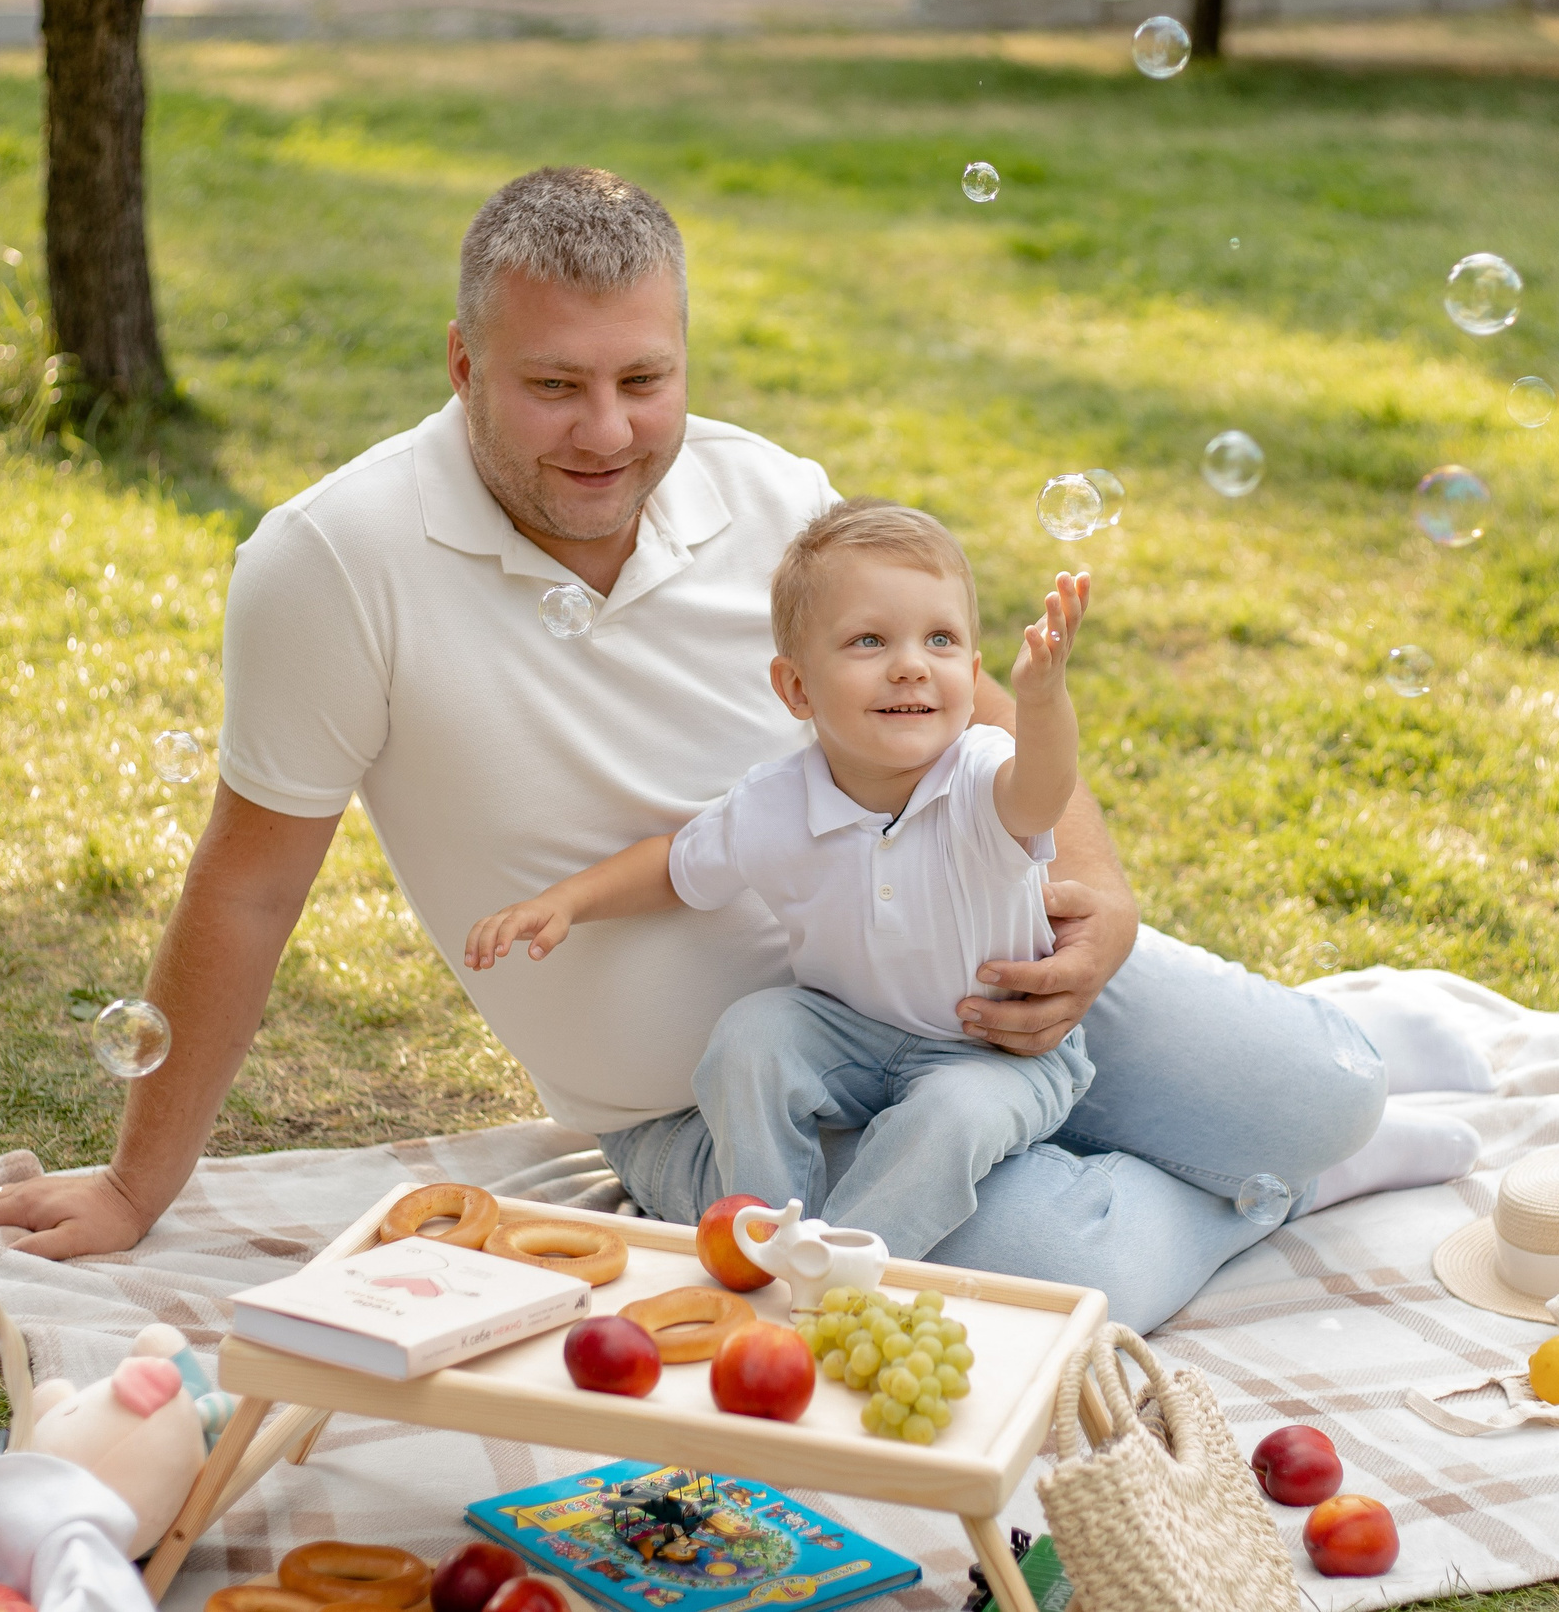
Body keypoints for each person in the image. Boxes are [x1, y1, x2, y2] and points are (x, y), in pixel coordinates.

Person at [0, 166, 1488, 1331]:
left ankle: (1286, 1124)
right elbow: (246, 893)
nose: (607, 432)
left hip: (965, 973)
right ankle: (1233, 1195)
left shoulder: (768, 488)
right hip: (721, 1108)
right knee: (1048, 1278)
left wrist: (1100, 894)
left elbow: (964, 701)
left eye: (644, 379)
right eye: (553, 386)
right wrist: (135, 1188)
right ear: (464, 366)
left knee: (1315, 1103)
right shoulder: (332, 564)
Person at [466, 500, 1099, 1257]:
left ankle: (836, 1269)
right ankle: (764, 1229)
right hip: (852, 1032)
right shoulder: (776, 804)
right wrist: (567, 900)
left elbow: (1043, 790)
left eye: (939, 639)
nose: (910, 663)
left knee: (954, 1117)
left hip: (996, 1049)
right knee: (753, 1034)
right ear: (796, 689)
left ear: (968, 674)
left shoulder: (984, 773)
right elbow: (674, 866)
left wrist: (1040, 699)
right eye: (869, 640)